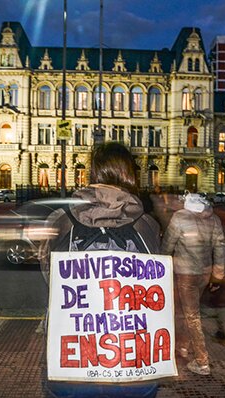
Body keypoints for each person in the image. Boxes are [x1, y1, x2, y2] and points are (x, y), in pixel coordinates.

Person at [39, 142, 161, 397]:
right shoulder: (148, 225)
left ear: (93, 175)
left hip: (73, 356)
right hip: (132, 356)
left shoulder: (60, 220)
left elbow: (50, 277)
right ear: (130, 174)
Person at [161, 192, 225, 376]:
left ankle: (202, 360)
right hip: (204, 273)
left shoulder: (180, 218)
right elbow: (220, 247)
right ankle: (182, 346)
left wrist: (161, 265)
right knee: (185, 310)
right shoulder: (213, 219)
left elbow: (167, 245)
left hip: (185, 272)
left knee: (192, 315)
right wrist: (217, 275)